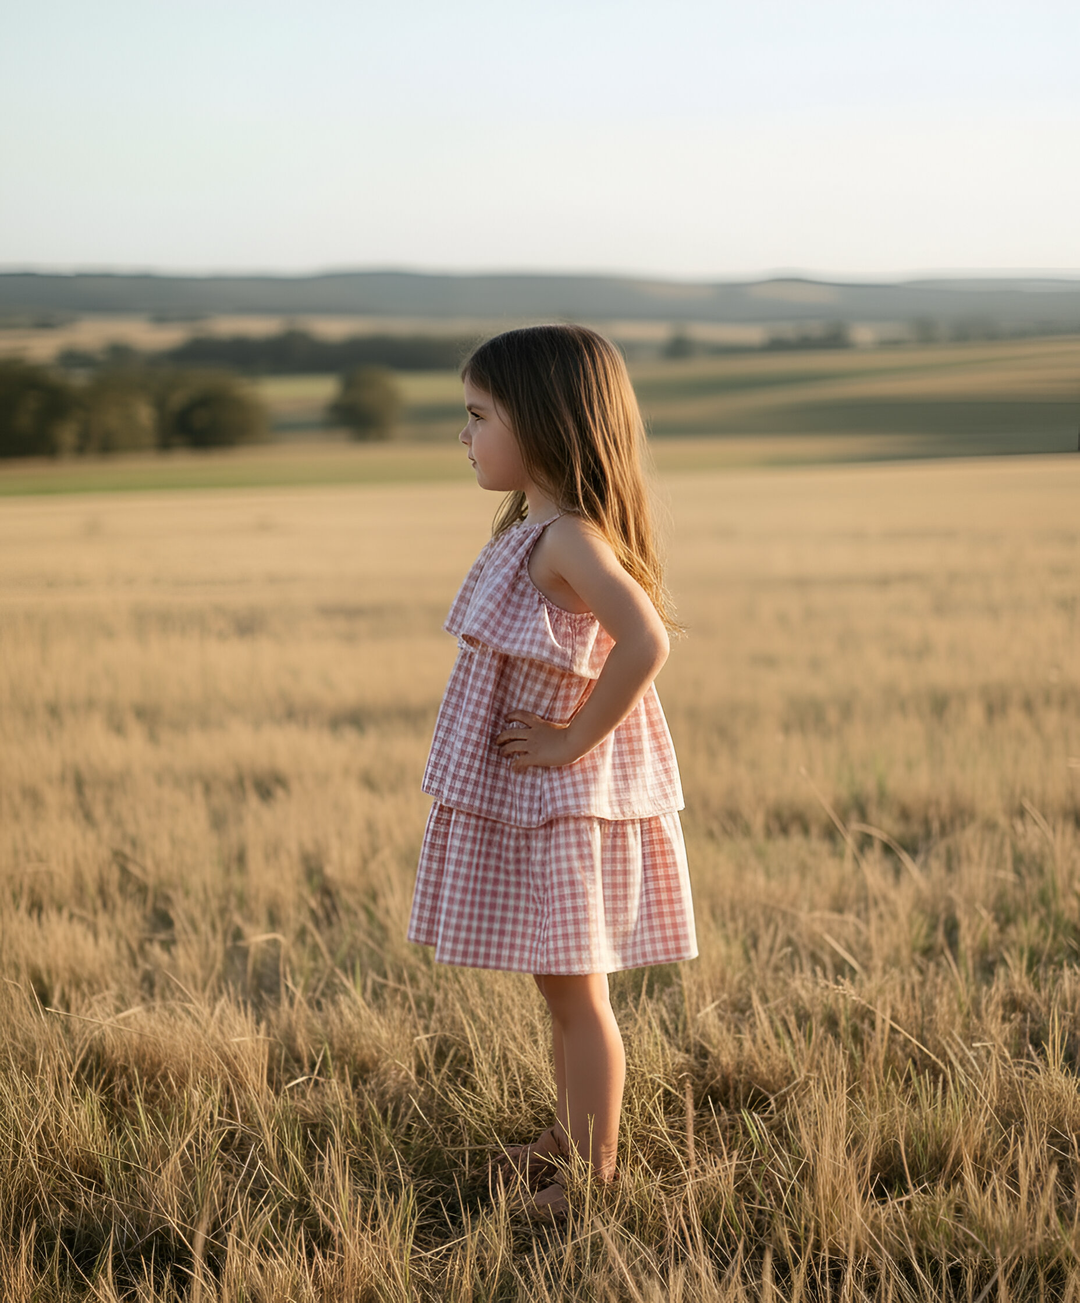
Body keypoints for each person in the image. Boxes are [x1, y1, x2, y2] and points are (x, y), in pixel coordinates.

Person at [408, 324, 697, 1219]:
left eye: (478, 415)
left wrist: (572, 740)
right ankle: (572, 1137)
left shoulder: (570, 538)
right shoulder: (537, 530)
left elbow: (645, 640)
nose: (464, 436)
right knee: (559, 988)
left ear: (543, 423)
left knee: (579, 999)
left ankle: (590, 1177)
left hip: (568, 803)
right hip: (539, 805)